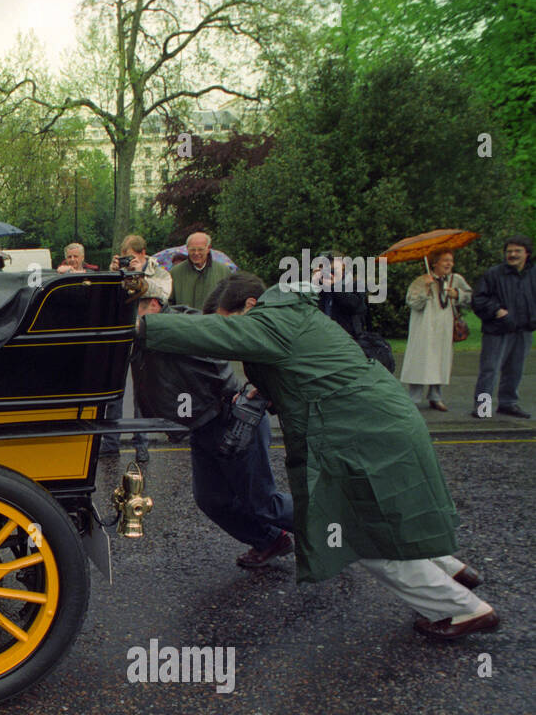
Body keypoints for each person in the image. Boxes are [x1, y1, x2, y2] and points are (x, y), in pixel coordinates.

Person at [137, 272, 497, 640]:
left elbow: (209, 336)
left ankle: (462, 609)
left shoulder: (271, 320)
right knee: (383, 519)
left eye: (229, 320)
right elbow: (306, 372)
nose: (230, 330)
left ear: (249, 306)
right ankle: (450, 569)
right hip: (380, 422)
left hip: (360, 431)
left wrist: (141, 326)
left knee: (362, 535)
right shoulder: (294, 314)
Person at [131, 286, 294, 567]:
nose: (130, 317)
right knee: (212, 500)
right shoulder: (151, 333)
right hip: (203, 425)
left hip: (231, 420)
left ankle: (337, 529)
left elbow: (213, 350)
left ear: (154, 305)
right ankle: (270, 540)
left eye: (135, 308)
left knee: (264, 503)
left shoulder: (184, 322)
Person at [100, 234, 172, 460]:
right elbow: (107, 296)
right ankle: (111, 442)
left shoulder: (159, 272)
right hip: (121, 334)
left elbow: (163, 295)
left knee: (141, 392)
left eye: (130, 257)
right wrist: (114, 274)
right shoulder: (119, 271)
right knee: (114, 392)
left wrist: (139, 276)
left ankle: (142, 445)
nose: (127, 262)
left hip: (145, 334)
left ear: (142, 254)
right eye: (124, 258)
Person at [471, 234, 535, 418]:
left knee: (515, 369)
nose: (512, 254)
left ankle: (508, 403)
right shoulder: (493, 274)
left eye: (517, 251)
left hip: (523, 329)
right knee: (489, 369)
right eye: (509, 251)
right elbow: (479, 299)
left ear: (527, 254)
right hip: (497, 330)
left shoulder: (533, 274)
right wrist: (497, 310)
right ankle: (482, 407)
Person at [401, 248, 472, 412]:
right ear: (435, 263)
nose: (449, 264)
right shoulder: (421, 280)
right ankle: (414, 397)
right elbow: (412, 303)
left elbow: (471, 296)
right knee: (421, 359)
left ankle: (435, 396)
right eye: (445, 260)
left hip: (444, 326)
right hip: (424, 326)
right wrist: (425, 290)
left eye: (451, 260)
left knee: (441, 359)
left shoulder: (456, 279)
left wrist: (457, 294)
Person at [169, 231, 231, 309]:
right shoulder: (175, 273)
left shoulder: (224, 272)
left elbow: (229, 302)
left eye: (200, 249)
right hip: (184, 320)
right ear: (187, 249)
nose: (196, 253)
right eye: (192, 250)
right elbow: (169, 303)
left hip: (213, 320)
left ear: (208, 248)